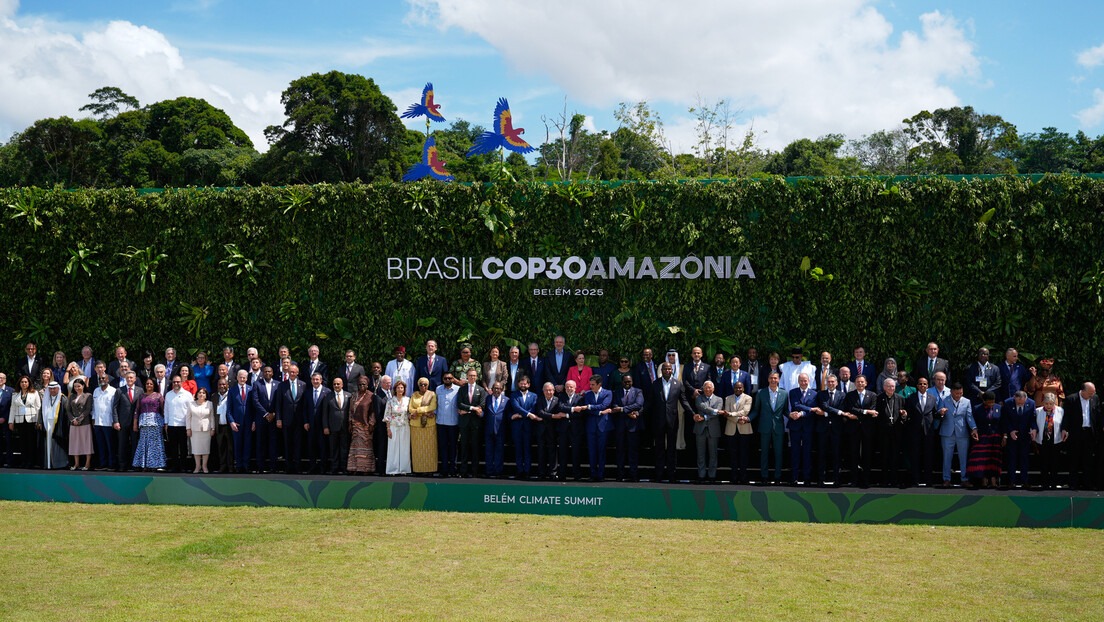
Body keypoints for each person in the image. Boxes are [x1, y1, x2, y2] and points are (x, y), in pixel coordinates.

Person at [651, 362, 692, 483]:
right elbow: (650, 402)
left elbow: (684, 402)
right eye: (665, 369)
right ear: (662, 370)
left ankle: (671, 474)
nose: (667, 370)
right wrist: (639, 412)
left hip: (672, 422)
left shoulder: (678, 384)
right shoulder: (655, 384)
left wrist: (693, 414)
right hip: (658, 421)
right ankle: (658, 474)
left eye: (669, 369)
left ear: (672, 370)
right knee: (659, 448)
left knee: (671, 449)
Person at [937, 383, 978, 487]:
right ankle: (946, 479)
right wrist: (941, 412)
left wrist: (974, 429)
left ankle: (964, 479)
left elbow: (969, 417)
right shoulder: (944, 399)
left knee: (963, 457)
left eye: (960, 393)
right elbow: (939, 411)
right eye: (956, 393)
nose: (958, 395)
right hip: (947, 432)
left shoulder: (967, 401)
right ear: (951, 392)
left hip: (962, 433)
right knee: (947, 457)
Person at [751, 371, 788, 485]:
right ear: (768, 379)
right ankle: (764, 476)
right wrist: (748, 418)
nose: (773, 380)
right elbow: (756, 410)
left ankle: (777, 477)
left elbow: (785, 410)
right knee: (764, 453)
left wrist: (792, 415)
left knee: (778, 453)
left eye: (775, 378)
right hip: (764, 427)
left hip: (778, 427)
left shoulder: (784, 393)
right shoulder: (761, 393)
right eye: (771, 378)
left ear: (778, 380)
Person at [1063, 382, 1099, 490]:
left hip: (1089, 433)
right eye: (1090, 393)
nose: (1091, 396)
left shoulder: (1095, 398)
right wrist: (1064, 429)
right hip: (1076, 433)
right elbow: (1066, 416)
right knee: (1074, 459)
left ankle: (1087, 483)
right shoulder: (1071, 399)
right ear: (1082, 391)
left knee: (1088, 460)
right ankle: (1073, 483)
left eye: (1093, 393)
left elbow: (1098, 413)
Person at [965, 391, 1003, 488]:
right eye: (989, 402)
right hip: (982, 438)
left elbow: (1003, 423)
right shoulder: (977, 408)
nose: (991, 404)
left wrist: (1005, 436)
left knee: (993, 459)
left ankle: (994, 482)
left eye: (993, 402)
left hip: (995, 438)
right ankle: (984, 481)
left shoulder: (999, 408)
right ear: (984, 400)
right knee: (982, 460)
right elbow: (973, 423)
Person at [843, 375, 876, 487]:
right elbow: (850, 408)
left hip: (868, 429)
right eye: (858, 382)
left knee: (867, 455)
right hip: (854, 429)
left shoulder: (872, 395)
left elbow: (873, 409)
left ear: (866, 383)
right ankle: (854, 480)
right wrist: (866, 412)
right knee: (853, 454)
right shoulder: (850, 395)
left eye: (862, 382)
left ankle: (866, 480)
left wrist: (859, 414)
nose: (860, 384)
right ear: (855, 383)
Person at [905, 377, 939, 487]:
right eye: (920, 384)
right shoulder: (911, 398)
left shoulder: (933, 398)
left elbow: (935, 414)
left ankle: (929, 480)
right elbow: (908, 414)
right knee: (915, 456)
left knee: (929, 456)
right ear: (917, 386)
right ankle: (915, 480)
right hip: (915, 432)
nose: (923, 385)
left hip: (928, 432)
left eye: (925, 384)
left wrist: (941, 413)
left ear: (928, 386)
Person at [611, 374, 644, 482]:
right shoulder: (617, 392)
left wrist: (622, 409)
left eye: (629, 381)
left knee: (633, 451)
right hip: (620, 426)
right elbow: (614, 406)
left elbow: (639, 404)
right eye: (625, 382)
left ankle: (633, 475)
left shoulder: (638, 391)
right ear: (622, 382)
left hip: (633, 427)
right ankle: (620, 475)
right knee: (620, 451)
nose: (627, 383)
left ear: (632, 382)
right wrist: (628, 412)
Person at [874, 378, 907, 487]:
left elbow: (905, 417)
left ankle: (894, 480)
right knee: (884, 456)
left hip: (896, 432)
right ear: (884, 387)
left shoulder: (900, 398)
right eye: (888, 386)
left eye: (893, 386)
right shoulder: (878, 398)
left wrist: (904, 415)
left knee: (895, 456)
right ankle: (884, 480)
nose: (891, 388)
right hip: (883, 432)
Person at [815, 375, 846, 486]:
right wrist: (837, 413)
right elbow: (824, 406)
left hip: (836, 429)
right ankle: (821, 479)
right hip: (823, 428)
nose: (831, 384)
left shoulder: (842, 395)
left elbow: (842, 409)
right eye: (829, 382)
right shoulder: (821, 394)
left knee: (836, 454)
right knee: (821, 454)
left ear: (836, 383)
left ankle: (836, 479)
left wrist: (830, 413)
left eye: (833, 382)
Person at [276, 365, 307, 474]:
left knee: (298, 444)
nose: (292, 374)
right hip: (286, 420)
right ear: (287, 372)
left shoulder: (303, 385)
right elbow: (278, 403)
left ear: (297, 373)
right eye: (290, 372)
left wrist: (305, 420)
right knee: (287, 444)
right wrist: (278, 419)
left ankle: (298, 467)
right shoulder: (282, 385)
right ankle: (288, 467)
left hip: (299, 420)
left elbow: (305, 404)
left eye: (294, 372)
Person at [787, 372, 817, 485]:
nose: (803, 383)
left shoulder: (814, 394)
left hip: (808, 427)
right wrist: (810, 409)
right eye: (801, 381)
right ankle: (794, 477)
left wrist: (803, 414)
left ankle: (807, 478)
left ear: (809, 381)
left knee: (807, 453)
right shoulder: (793, 392)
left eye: (805, 381)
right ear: (798, 381)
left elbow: (814, 410)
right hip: (795, 426)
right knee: (795, 452)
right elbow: (795, 405)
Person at [692, 380, 724, 484]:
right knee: (700, 454)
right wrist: (715, 411)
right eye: (706, 387)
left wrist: (705, 417)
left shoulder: (719, 399)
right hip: (700, 429)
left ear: (713, 389)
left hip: (713, 429)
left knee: (713, 454)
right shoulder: (698, 398)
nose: (708, 389)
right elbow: (703, 407)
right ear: (703, 389)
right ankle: (701, 476)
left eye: (710, 388)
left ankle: (712, 476)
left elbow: (716, 414)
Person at [723, 380, 754, 485]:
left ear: (743, 388)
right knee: (733, 455)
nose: (738, 389)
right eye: (736, 387)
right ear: (733, 388)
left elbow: (745, 411)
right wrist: (736, 419)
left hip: (744, 429)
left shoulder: (748, 398)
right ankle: (734, 477)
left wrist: (731, 414)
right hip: (731, 430)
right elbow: (726, 414)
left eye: (740, 388)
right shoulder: (728, 398)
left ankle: (743, 477)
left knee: (744, 455)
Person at [1003, 390, 1036, 489]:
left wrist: (1034, 429)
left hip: (1025, 436)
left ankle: (1025, 481)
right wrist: (1010, 431)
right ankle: (1012, 481)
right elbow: (1005, 420)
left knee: (1024, 458)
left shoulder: (1031, 403)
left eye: (1022, 403)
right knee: (1012, 458)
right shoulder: (1007, 403)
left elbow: (1033, 418)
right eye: (1018, 403)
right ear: (1014, 398)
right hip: (1012, 435)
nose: (1020, 404)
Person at [457, 368, 486, 478]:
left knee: (475, 447)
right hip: (464, 423)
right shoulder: (462, 389)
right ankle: (463, 471)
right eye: (470, 375)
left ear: (477, 377)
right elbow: (459, 404)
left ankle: (475, 471)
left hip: (476, 423)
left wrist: (468, 410)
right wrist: (473, 408)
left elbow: (482, 406)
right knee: (464, 447)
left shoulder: (481, 390)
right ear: (467, 376)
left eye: (474, 375)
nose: (472, 377)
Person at [1034, 393, 1067, 489]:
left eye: (1051, 404)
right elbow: (1034, 424)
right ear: (1043, 403)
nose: (1049, 406)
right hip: (1043, 440)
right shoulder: (1038, 411)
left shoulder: (1060, 411)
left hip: (1055, 440)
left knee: (1054, 463)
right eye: (1047, 403)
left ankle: (1053, 483)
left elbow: (1064, 424)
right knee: (1044, 463)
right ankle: (1044, 483)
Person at [133, 378, 166, 471]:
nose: (149, 385)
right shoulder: (141, 396)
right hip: (143, 422)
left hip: (155, 422)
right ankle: (144, 464)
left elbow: (163, 410)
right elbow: (137, 410)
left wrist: (165, 423)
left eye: (151, 384)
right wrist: (135, 423)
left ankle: (155, 465)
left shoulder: (158, 396)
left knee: (155, 444)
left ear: (154, 385)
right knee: (144, 443)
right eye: (147, 384)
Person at [584, 375, 613, 481]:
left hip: (603, 426)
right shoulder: (587, 394)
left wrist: (591, 407)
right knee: (591, 451)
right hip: (591, 426)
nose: (590, 386)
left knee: (602, 451)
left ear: (599, 384)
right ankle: (593, 474)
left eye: (592, 384)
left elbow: (604, 405)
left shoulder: (608, 393)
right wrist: (600, 412)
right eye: (590, 384)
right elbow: (587, 409)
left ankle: (601, 474)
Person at [250, 366, 279, 473]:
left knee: (273, 443)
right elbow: (255, 401)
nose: (267, 373)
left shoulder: (278, 384)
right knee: (260, 443)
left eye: (269, 371)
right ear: (262, 373)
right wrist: (266, 414)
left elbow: (279, 401)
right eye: (265, 371)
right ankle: (260, 466)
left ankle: (273, 466)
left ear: (272, 373)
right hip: (261, 418)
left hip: (274, 418)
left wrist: (274, 414)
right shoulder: (257, 384)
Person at [509, 375, 537, 479]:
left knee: (527, 449)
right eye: (521, 383)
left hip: (528, 427)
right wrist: (528, 415)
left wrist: (522, 415)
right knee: (518, 449)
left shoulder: (534, 396)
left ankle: (527, 471)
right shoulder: (514, 395)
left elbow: (533, 408)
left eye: (525, 383)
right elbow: (516, 407)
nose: (523, 385)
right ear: (518, 384)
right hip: (517, 427)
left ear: (528, 384)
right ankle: (520, 470)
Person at [559, 379, 588, 480]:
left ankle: (577, 475)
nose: (569, 388)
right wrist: (573, 409)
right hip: (563, 430)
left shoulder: (580, 399)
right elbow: (560, 407)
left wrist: (566, 415)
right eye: (567, 387)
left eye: (571, 387)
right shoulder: (561, 397)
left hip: (576, 430)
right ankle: (562, 475)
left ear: (575, 388)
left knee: (576, 453)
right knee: (563, 453)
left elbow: (581, 414)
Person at [347, 376, 376, 475]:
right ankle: (355, 468)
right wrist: (350, 422)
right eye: (359, 384)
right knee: (356, 449)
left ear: (367, 385)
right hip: (356, 426)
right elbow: (351, 411)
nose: (361, 386)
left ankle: (366, 469)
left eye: (363, 384)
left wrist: (372, 423)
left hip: (366, 426)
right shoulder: (354, 395)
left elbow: (373, 411)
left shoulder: (371, 396)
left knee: (366, 448)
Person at [409, 377, 438, 475]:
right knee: (417, 448)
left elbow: (432, 407)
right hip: (416, 425)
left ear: (428, 385)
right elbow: (410, 409)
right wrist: (425, 412)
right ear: (418, 385)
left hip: (429, 425)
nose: (423, 386)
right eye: (421, 384)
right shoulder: (414, 395)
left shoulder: (432, 394)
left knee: (430, 448)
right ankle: (418, 469)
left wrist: (418, 411)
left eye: (425, 384)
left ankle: (430, 469)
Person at [164, 377, 192, 472]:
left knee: (184, 448)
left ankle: (183, 467)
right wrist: (166, 423)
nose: (176, 383)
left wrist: (189, 425)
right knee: (173, 447)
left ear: (181, 382)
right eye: (174, 382)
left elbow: (190, 410)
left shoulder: (187, 395)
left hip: (183, 424)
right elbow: (166, 410)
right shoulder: (168, 395)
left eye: (178, 382)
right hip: (172, 424)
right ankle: (174, 466)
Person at [303, 372, 331, 473]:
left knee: (323, 447)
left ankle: (323, 468)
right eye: (313, 379)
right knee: (311, 447)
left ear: (321, 380)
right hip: (310, 425)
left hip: (322, 425)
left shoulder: (327, 392)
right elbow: (304, 408)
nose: (315, 381)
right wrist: (305, 421)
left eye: (317, 379)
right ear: (311, 381)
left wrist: (327, 425)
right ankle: (312, 467)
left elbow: (329, 410)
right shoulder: (307, 392)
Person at [384, 380, 412, 475]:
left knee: (405, 448)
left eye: (402, 388)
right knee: (393, 448)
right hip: (393, 426)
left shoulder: (408, 400)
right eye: (398, 388)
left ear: (404, 389)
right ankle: (392, 470)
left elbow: (409, 413)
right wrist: (388, 429)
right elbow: (387, 416)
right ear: (395, 389)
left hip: (405, 426)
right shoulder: (390, 401)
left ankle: (404, 470)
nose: (400, 389)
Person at [435, 371, 460, 477]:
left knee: (453, 446)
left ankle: (453, 468)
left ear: (453, 379)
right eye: (446, 378)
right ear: (443, 379)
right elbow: (436, 404)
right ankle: (444, 468)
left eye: (450, 378)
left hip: (453, 422)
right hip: (441, 422)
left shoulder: (458, 390)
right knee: (443, 446)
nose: (448, 380)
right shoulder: (438, 389)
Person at [326, 377, 352, 475]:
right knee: (333, 449)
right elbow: (325, 413)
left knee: (344, 449)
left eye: (338, 384)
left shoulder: (349, 396)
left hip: (345, 427)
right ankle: (334, 468)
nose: (336, 386)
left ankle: (344, 468)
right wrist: (325, 427)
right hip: (332, 427)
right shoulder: (328, 396)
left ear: (342, 385)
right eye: (334, 384)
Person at [91, 373, 118, 470]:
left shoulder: (113, 391)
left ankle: (112, 464)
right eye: (100, 378)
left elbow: (115, 408)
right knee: (100, 444)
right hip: (98, 422)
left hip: (108, 422)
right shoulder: (96, 391)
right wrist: (93, 418)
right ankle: (103, 464)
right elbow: (93, 407)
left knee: (110, 445)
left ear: (108, 379)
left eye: (103, 378)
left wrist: (114, 421)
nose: (101, 380)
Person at [115, 371, 141, 471]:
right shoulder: (119, 390)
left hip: (135, 423)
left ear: (135, 379)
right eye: (128, 378)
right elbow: (115, 407)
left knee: (135, 444)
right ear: (125, 379)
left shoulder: (140, 390)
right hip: (122, 422)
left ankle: (134, 465)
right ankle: (122, 465)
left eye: (131, 378)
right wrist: (116, 421)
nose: (129, 379)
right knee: (122, 444)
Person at [227, 370, 251, 473]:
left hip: (249, 423)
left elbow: (254, 408)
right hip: (236, 423)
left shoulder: (251, 389)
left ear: (247, 378)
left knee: (248, 444)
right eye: (240, 377)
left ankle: (246, 465)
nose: (242, 379)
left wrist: (253, 421)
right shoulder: (232, 391)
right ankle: (239, 465)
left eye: (244, 377)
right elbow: (228, 409)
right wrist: (231, 422)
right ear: (237, 377)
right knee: (237, 445)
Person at [186, 387, 215, 473]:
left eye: (203, 393)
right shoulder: (191, 404)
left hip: (206, 429)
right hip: (195, 430)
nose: (201, 394)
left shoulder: (209, 404)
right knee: (196, 449)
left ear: (206, 395)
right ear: (196, 395)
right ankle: (197, 466)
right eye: (200, 393)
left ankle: (205, 466)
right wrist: (188, 429)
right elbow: (188, 417)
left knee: (206, 449)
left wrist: (212, 428)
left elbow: (212, 417)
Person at [40, 381, 69, 469]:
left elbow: (66, 414)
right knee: (47, 444)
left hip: (58, 425)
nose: (52, 390)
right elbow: (41, 411)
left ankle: (59, 464)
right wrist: (41, 422)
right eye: (50, 389)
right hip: (47, 424)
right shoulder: (46, 398)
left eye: (54, 388)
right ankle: (48, 464)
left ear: (58, 389)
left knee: (57, 444)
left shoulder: (63, 399)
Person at [482, 381, 508, 478]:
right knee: (488, 451)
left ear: (502, 389)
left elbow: (508, 415)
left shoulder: (507, 400)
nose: (496, 390)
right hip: (488, 429)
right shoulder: (487, 399)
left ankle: (498, 471)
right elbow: (484, 413)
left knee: (499, 452)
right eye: (495, 388)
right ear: (492, 389)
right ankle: (489, 471)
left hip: (500, 430)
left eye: (498, 388)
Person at [67, 379, 93, 470]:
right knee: (74, 443)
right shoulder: (72, 396)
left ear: (83, 386)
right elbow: (68, 410)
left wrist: (79, 419)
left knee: (86, 443)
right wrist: (73, 419)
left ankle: (87, 464)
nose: (77, 388)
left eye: (79, 386)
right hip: (73, 424)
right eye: (75, 386)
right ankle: (76, 464)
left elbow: (88, 410)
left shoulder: (88, 396)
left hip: (84, 423)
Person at [372, 375, 392, 475]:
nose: (389, 384)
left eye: (390, 382)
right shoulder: (377, 396)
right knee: (381, 448)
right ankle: (380, 469)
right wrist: (385, 426)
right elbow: (378, 413)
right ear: (381, 383)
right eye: (387, 383)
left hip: (392, 427)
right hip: (382, 427)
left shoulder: (392, 394)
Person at [213, 377, 232, 473]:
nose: (222, 386)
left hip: (229, 426)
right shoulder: (214, 397)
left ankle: (231, 467)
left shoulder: (232, 395)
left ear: (228, 385)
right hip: (219, 426)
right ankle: (222, 466)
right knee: (221, 448)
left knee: (230, 448)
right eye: (220, 384)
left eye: (224, 384)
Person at [0, 373, 14, 467]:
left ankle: (9, 462)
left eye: (1, 378)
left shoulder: (11, 391)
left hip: (7, 419)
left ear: (5, 380)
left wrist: (4, 417)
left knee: (9, 441)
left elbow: (12, 406)